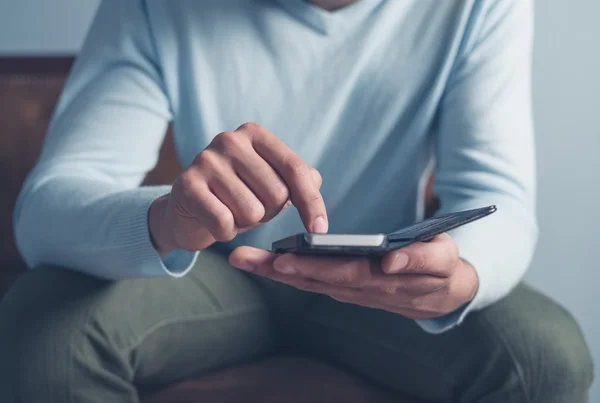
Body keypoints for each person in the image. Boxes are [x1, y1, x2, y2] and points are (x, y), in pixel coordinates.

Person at [0, 0, 594, 402]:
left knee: (544, 357)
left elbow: (498, 197)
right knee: (46, 333)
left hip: (383, 286)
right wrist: (172, 218)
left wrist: (462, 275)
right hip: (214, 271)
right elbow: (47, 209)